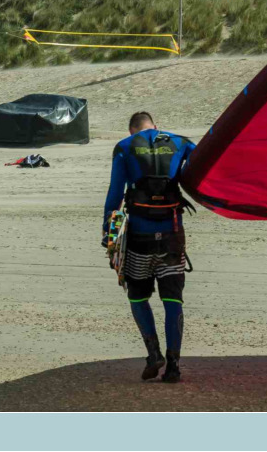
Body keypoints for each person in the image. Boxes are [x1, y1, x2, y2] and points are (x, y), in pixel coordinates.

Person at [103, 111, 195, 383]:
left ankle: (154, 354)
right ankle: (174, 365)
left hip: (139, 238)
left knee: (137, 296)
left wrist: (108, 231)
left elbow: (115, 193)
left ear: (131, 130)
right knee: (172, 299)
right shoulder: (181, 142)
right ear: (156, 126)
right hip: (172, 236)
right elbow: (204, 170)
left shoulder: (124, 147)